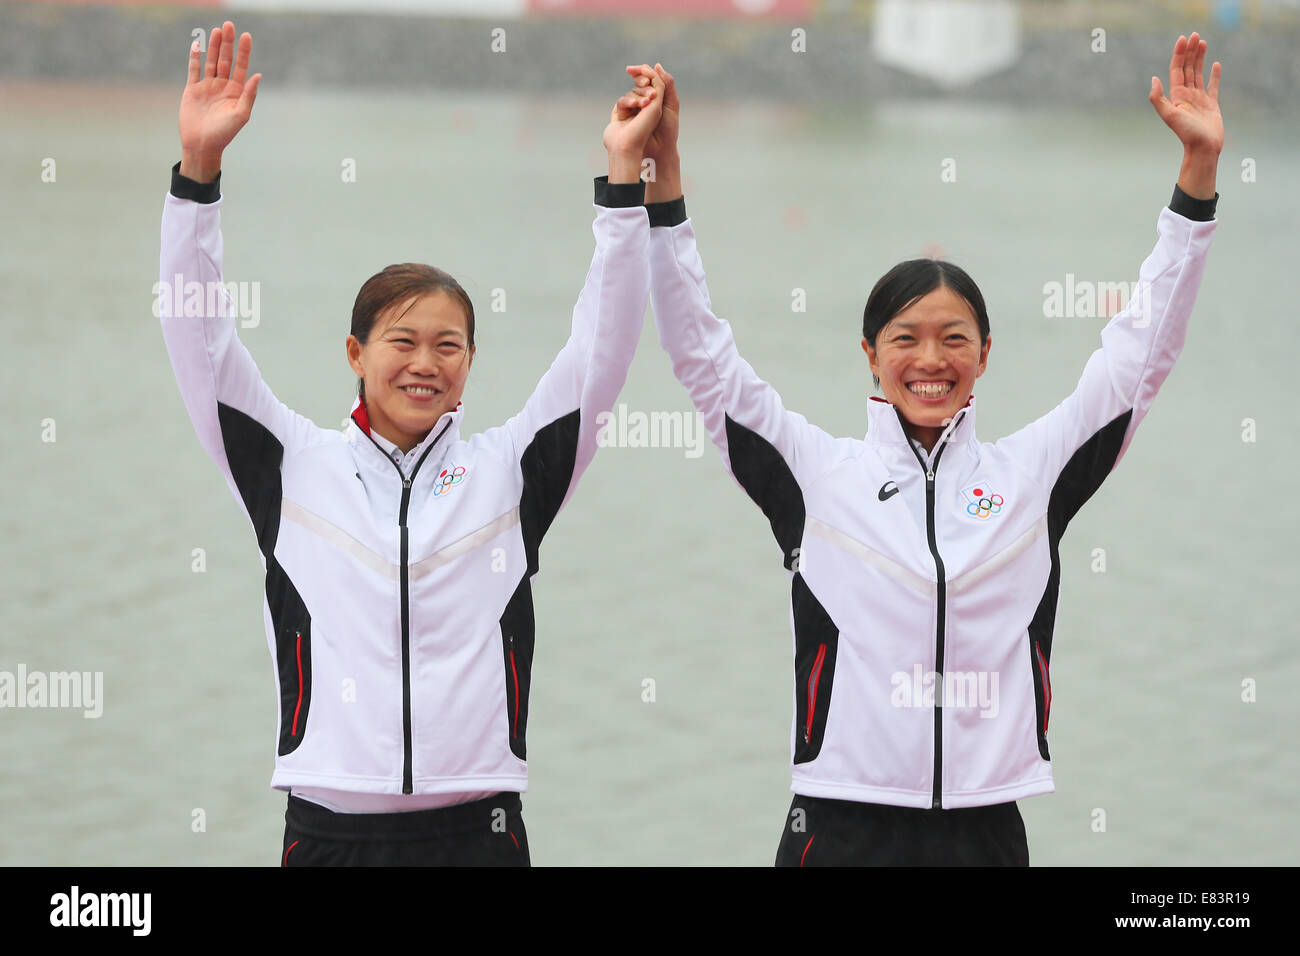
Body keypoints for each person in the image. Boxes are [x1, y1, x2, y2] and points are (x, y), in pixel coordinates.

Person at [628, 32, 1223, 865]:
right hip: (839, 825)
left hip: (984, 828)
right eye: (905, 338)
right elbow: (702, 359)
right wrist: (662, 181)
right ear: (870, 353)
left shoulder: (1031, 479)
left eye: (954, 338)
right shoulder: (816, 477)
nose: (931, 360)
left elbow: (1140, 359)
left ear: (985, 354)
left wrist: (1196, 180)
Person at [159, 20, 664, 866]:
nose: (425, 364)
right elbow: (196, 339)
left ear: (471, 363)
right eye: (403, 341)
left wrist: (622, 183)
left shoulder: (509, 471)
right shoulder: (290, 467)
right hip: (328, 835)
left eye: (449, 345)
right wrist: (198, 176)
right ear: (356, 355)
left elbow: (602, 350)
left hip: (476, 834)